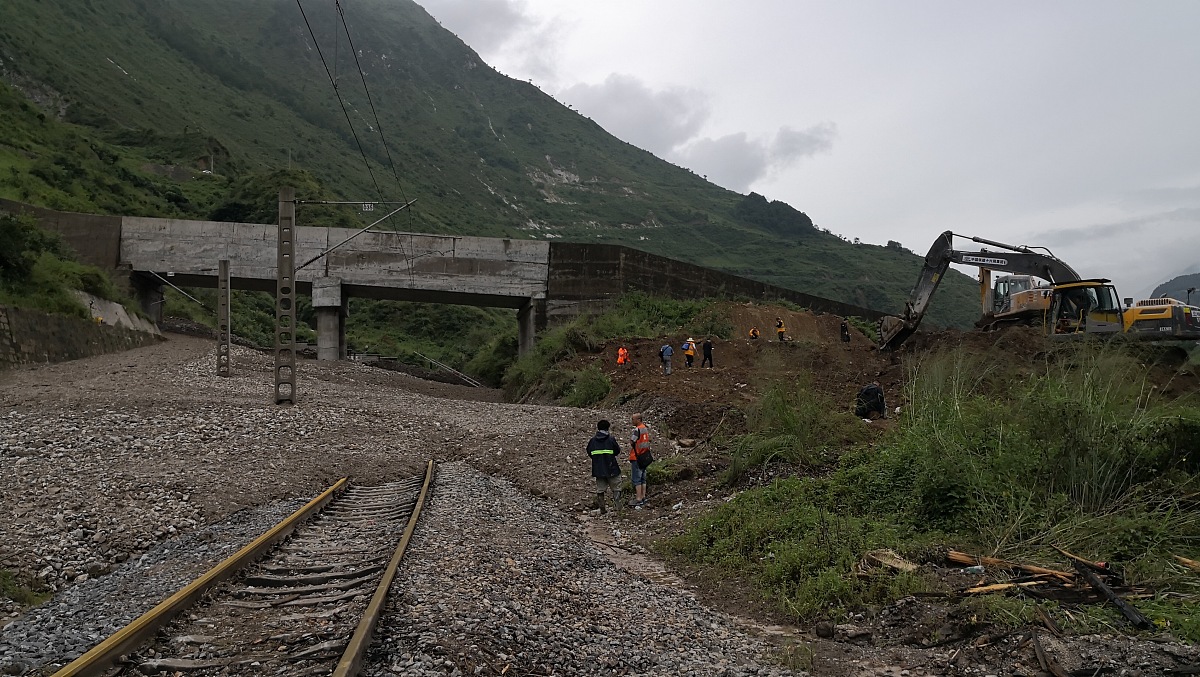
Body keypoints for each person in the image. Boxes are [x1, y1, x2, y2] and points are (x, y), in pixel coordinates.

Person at [586, 419, 623, 514]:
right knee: (616, 487)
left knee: (600, 489)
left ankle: (602, 508)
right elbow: (617, 451)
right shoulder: (611, 439)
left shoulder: (593, 441)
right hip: (612, 468)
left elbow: (589, 452)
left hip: (598, 469)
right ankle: (618, 508)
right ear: (608, 428)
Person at [628, 413, 652, 508]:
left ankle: (638, 499)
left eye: (633, 419)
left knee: (637, 479)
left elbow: (632, 441)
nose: (632, 421)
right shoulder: (645, 428)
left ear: (638, 419)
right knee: (643, 478)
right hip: (644, 456)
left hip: (637, 457)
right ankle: (643, 497)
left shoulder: (637, 429)